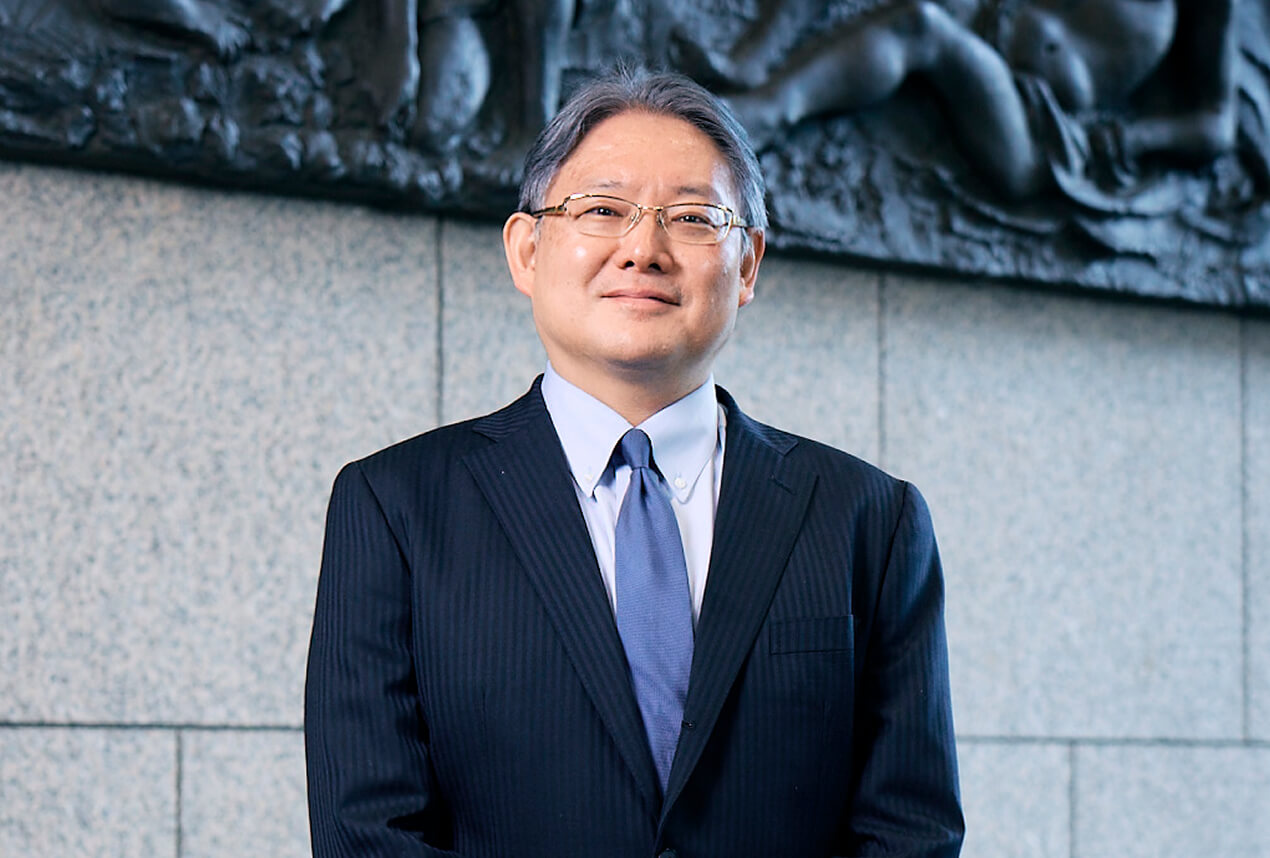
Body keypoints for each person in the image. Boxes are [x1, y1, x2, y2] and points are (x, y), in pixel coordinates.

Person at [305, 67, 964, 857]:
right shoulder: (396, 507)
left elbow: (910, 831)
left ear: (747, 265)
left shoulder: (870, 520)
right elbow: (368, 834)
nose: (643, 250)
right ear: (526, 251)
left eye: (692, 217)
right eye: (602, 210)